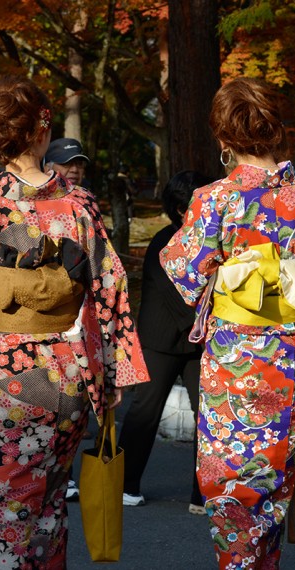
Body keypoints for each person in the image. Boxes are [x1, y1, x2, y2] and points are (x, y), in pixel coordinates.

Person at [0, 75, 149, 569]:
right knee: (50, 506)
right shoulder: (79, 202)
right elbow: (110, 286)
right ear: (40, 131)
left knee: (8, 511)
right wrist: (113, 374)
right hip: (73, 372)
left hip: (12, 376)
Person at [159, 77, 295, 569]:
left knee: (231, 488)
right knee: (271, 490)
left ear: (224, 137)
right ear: (276, 129)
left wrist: (231, 282)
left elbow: (185, 270)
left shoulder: (215, 201)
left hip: (236, 364)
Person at [118, 170, 214, 513]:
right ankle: (125, 484)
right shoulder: (164, 241)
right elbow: (179, 299)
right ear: (179, 209)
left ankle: (202, 492)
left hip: (197, 342)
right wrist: (214, 330)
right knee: (145, 412)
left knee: (207, 414)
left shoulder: (211, 240)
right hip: (162, 339)